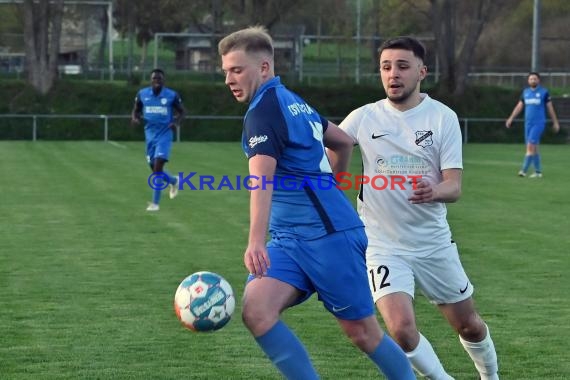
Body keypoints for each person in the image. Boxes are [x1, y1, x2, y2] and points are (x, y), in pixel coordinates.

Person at [218, 26, 415, 380]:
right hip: (291, 240)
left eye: (237, 69)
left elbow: (261, 179)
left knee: (363, 334)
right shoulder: (292, 102)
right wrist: (331, 188)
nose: (230, 79)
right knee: (257, 311)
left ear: (263, 67)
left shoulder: (264, 111)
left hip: (329, 239)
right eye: (226, 72)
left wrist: (255, 241)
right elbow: (343, 142)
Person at [338, 37, 499, 380]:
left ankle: (491, 377)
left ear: (421, 72)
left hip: (432, 243)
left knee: (469, 326)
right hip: (382, 245)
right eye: (385, 67)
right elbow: (331, 146)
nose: (392, 74)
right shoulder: (364, 117)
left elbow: (454, 187)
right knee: (401, 330)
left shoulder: (442, 118)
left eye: (402, 66)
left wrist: (434, 190)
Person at [131, 68, 185, 211]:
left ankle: (155, 203)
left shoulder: (171, 95)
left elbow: (182, 112)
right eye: (154, 79)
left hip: (164, 134)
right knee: (154, 169)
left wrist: (176, 122)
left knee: (157, 167)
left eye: (159, 79)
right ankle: (174, 181)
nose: (157, 81)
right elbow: (136, 110)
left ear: (163, 81)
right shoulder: (142, 94)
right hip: (150, 135)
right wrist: (135, 118)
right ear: (151, 80)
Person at [505, 72, 560, 178]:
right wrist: (511, 118)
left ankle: (523, 171)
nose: (533, 81)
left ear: (538, 80)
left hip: (538, 124)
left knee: (530, 146)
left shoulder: (544, 92)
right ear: (528, 81)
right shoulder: (525, 92)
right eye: (531, 79)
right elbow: (519, 106)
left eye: (535, 79)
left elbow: (550, 108)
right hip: (528, 124)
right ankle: (538, 172)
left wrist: (555, 122)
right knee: (534, 148)